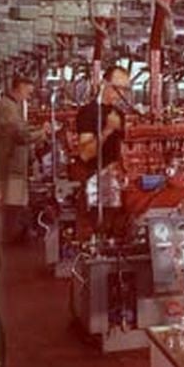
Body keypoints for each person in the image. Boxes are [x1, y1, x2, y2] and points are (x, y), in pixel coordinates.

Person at [0, 76, 51, 244]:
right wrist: (42, 132)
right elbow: (20, 135)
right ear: (20, 86)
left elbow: (21, 129)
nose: (30, 94)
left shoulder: (12, 106)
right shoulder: (7, 106)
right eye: (28, 90)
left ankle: (11, 236)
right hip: (8, 165)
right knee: (11, 204)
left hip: (12, 164)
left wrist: (37, 129)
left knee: (13, 203)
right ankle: (8, 239)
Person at [74, 66, 131, 238]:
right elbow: (85, 153)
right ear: (104, 83)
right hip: (96, 182)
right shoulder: (87, 113)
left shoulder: (119, 114)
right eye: (117, 88)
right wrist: (107, 130)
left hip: (116, 182)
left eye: (125, 89)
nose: (120, 93)